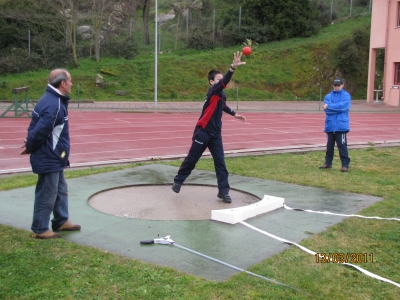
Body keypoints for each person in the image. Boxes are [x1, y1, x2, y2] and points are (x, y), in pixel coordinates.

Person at [171, 51, 246, 203]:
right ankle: (178, 180)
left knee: (220, 163)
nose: (221, 81)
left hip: (215, 134)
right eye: (218, 79)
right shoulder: (213, 91)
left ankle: (223, 191)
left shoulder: (221, 95)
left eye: (221, 79)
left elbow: (223, 105)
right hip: (203, 132)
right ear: (212, 82)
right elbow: (225, 81)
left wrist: (234, 114)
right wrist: (232, 67)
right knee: (192, 159)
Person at [21, 69, 81, 239]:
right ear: (63, 84)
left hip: (56, 155)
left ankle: (61, 220)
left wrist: (29, 143)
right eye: (70, 81)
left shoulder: (52, 99)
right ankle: (39, 228)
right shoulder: (54, 105)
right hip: (49, 156)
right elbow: (39, 131)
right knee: (48, 192)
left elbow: (35, 126)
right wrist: (30, 146)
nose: (71, 84)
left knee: (60, 188)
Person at [319, 78, 351, 172]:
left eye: (338, 85)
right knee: (329, 146)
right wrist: (332, 107)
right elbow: (327, 111)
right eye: (335, 85)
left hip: (341, 126)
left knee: (342, 146)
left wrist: (330, 106)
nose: (336, 87)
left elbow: (343, 107)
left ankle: (345, 164)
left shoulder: (346, 96)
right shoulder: (328, 96)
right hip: (330, 125)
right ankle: (328, 163)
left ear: (342, 85)